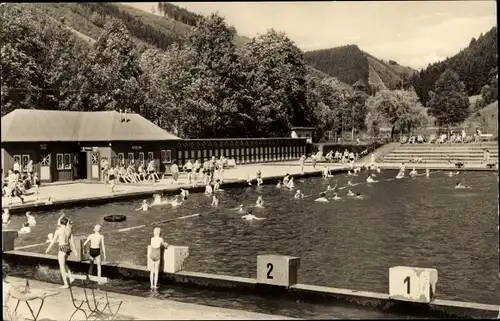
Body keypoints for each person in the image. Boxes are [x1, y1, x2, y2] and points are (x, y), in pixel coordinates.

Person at [45, 217, 76, 288]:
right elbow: (72, 241)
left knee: (61, 267)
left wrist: (48, 249)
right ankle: (71, 277)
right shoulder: (69, 229)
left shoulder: (58, 231)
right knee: (64, 264)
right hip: (68, 247)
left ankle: (66, 284)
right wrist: (75, 251)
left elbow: (53, 241)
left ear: (60, 223)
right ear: (66, 223)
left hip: (62, 248)